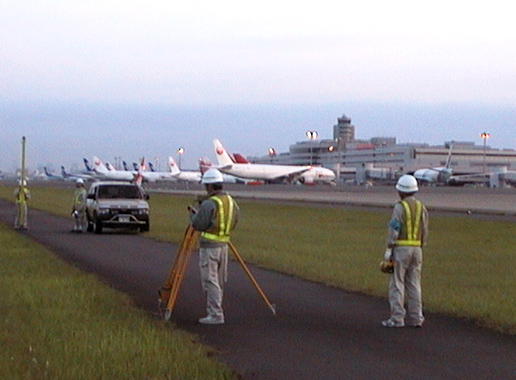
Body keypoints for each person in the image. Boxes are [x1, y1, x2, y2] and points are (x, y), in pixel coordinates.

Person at [190, 168, 239, 325]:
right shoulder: (230, 201)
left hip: (209, 248)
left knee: (210, 281)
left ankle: (215, 314)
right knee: (218, 280)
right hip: (223, 245)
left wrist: (193, 215)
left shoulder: (209, 204)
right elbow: (235, 219)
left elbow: (198, 224)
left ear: (210, 186)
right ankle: (215, 311)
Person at [382, 174, 429, 328]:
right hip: (417, 249)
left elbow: (394, 228)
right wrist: (420, 245)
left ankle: (397, 318)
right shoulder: (422, 207)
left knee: (397, 283)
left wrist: (389, 248)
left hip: (401, 249)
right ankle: (417, 318)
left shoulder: (400, 207)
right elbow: (425, 230)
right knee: (414, 284)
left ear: (401, 191)